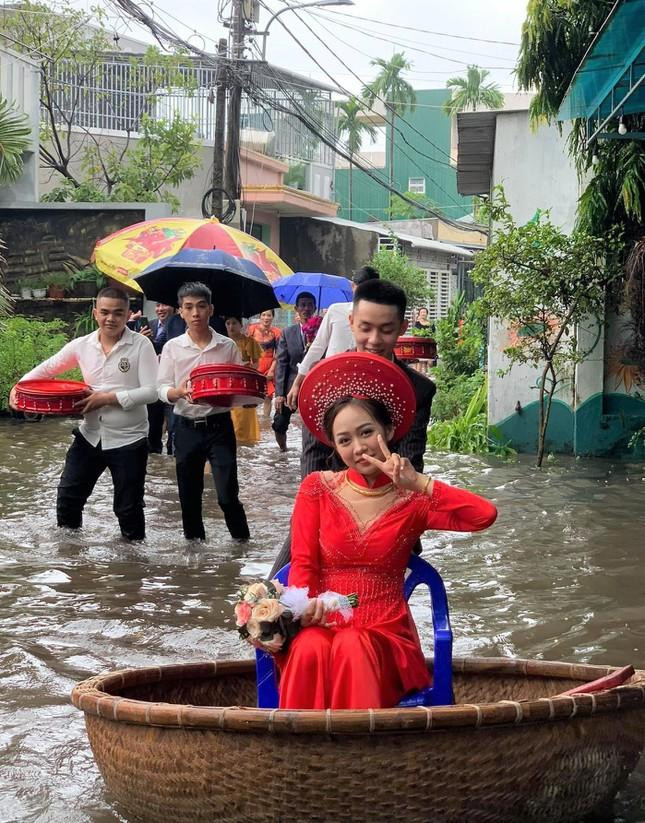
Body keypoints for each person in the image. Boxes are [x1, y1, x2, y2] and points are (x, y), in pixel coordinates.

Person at [278, 355, 497, 709]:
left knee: (353, 645)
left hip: (384, 629)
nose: (358, 448)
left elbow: (484, 515)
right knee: (308, 648)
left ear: (390, 431)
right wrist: (305, 609)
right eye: (345, 440)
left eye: (367, 432)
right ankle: (303, 742)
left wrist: (419, 482)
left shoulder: (413, 500)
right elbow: (303, 563)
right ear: (334, 446)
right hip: (323, 621)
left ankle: (363, 741)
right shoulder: (316, 489)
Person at [9, 286, 159, 541]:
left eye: (118, 313)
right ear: (95, 313)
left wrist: (108, 398)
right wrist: (18, 387)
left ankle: (133, 562)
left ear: (127, 315)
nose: (111, 318)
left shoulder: (141, 345)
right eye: (105, 312)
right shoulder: (82, 345)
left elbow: (152, 391)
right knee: (68, 499)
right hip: (90, 434)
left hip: (129, 438)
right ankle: (72, 556)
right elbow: (46, 369)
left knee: (128, 508)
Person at [157, 282, 250, 541]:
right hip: (185, 426)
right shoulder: (172, 347)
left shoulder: (227, 346)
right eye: (188, 307)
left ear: (211, 309)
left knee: (227, 496)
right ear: (180, 312)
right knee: (189, 498)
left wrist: (242, 396)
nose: (195, 313)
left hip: (219, 426)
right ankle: (195, 553)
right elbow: (160, 388)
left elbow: (236, 386)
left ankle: (242, 547)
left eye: (201, 306)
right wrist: (178, 392)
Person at [285, 265, 380, 411]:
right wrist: (297, 383)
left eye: (370, 289)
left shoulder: (380, 317)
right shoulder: (336, 310)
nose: (364, 294)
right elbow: (318, 346)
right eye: (360, 288)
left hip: (365, 381)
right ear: (353, 287)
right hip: (333, 379)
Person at [272, 291, 317, 452]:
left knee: (315, 424)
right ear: (296, 309)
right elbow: (282, 363)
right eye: (303, 305)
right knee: (279, 423)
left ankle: (310, 451)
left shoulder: (322, 331)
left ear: (315, 308)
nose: (306, 308)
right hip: (291, 385)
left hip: (315, 385)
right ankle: (283, 451)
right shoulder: (287, 333)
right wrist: (279, 393)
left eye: (310, 305)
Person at [140, 303, 185, 455]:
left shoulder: (180, 325)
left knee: (174, 428)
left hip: (174, 385)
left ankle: (173, 456)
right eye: (157, 305)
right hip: (153, 384)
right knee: (152, 429)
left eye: (164, 305)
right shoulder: (150, 324)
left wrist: (148, 342)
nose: (160, 309)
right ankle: (156, 462)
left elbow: (165, 348)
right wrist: (142, 339)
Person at [224, 315, 262, 447]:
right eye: (228, 323)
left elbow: (256, 363)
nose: (231, 327)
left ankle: (247, 441)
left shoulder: (249, 342)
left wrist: (245, 369)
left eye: (234, 323)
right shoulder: (221, 343)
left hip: (243, 382)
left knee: (244, 413)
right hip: (227, 383)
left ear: (241, 325)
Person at [247, 309, 282, 416]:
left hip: (269, 366)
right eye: (264, 315)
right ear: (260, 316)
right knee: (251, 395)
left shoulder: (277, 332)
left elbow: (278, 353)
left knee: (268, 396)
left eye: (269, 315)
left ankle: (266, 420)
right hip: (254, 365)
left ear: (272, 317)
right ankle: (254, 421)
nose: (266, 318)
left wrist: (272, 370)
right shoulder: (252, 329)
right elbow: (246, 349)